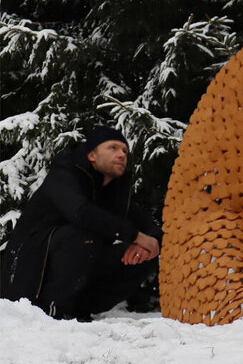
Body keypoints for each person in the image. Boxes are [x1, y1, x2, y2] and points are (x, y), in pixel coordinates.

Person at [0, 126, 162, 321]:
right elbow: (81, 212)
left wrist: (150, 244)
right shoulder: (64, 176)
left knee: (146, 255)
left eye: (125, 151)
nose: (121, 155)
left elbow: (149, 226)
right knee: (83, 235)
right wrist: (136, 236)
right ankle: (54, 310)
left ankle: (78, 308)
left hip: (77, 270)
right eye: (113, 148)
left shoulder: (112, 193)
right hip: (29, 275)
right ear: (92, 155)